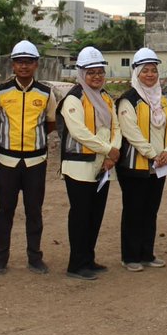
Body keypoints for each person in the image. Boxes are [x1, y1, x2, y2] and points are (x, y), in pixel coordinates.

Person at [0, 39, 57, 275]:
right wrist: (8, 141)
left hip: (35, 162)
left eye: (28, 62)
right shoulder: (1, 92)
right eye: (19, 62)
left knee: (34, 210)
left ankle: (34, 256)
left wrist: (33, 141)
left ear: (36, 65)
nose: (24, 67)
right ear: (13, 65)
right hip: (7, 161)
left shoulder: (46, 93)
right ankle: (1, 257)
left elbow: (50, 123)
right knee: (5, 209)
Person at [58, 46, 121, 280]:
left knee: (96, 214)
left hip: (102, 166)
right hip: (79, 166)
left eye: (100, 72)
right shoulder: (74, 98)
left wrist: (110, 155)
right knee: (81, 215)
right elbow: (79, 132)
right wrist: (109, 150)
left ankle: (89, 258)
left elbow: (116, 127)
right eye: (91, 72)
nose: (96, 77)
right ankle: (76, 263)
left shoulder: (106, 98)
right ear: (81, 73)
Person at [116, 47, 167, 272]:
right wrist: (154, 154)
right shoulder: (128, 100)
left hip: (159, 167)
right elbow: (130, 132)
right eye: (145, 71)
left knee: (151, 210)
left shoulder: (163, 101)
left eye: (153, 70)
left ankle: (147, 253)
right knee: (133, 210)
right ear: (137, 73)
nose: (150, 75)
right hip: (134, 166)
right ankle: (130, 256)